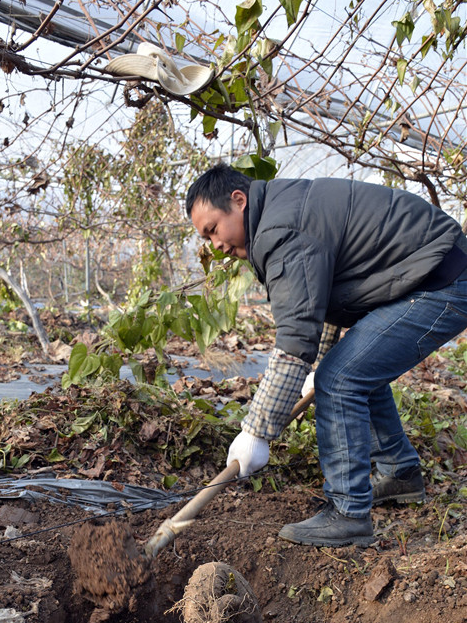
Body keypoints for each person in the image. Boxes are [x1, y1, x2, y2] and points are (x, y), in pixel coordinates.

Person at [186, 163, 467, 548]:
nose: (215, 246)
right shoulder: (284, 209)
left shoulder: (281, 230)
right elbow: (328, 294)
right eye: (206, 238)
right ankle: (399, 471)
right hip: (430, 272)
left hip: (442, 281)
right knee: (352, 366)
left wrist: (255, 431)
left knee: (340, 379)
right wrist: (319, 359)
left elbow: (295, 339)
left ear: (238, 201)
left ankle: (348, 513)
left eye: (213, 230)